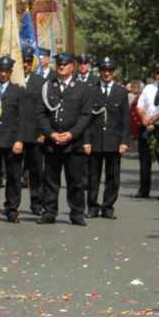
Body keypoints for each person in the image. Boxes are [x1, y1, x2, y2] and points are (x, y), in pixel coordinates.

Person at [36, 53, 93, 225]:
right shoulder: (48, 87)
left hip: (73, 142)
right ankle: (49, 212)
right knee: (51, 180)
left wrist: (72, 134)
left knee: (76, 181)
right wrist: (51, 134)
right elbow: (40, 113)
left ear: (72, 67)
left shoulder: (82, 88)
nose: (61, 67)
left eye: (65, 64)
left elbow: (85, 115)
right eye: (59, 64)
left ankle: (77, 214)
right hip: (53, 142)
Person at [0, 56, 31, 223]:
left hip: (12, 141)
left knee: (13, 177)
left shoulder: (18, 91)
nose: (2, 74)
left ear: (10, 72)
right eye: (0, 71)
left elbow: (24, 118)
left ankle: (11, 210)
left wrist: (20, 140)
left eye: (6, 71)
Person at [86, 57, 130, 219]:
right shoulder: (91, 90)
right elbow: (86, 118)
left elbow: (125, 118)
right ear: (100, 72)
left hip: (114, 140)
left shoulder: (121, 92)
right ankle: (92, 206)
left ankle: (108, 207)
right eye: (104, 70)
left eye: (110, 70)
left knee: (113, 176)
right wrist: (86, 140)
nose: (107, 73)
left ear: (114, 72)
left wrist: (124, 141)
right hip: (95, 139)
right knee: (93, 176)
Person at [135, 62, 159, 200]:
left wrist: (153, 119)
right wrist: (146, 119)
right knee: (144, 160)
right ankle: (143, 190)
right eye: (158, 72)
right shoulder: (148, 88)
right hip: (146, 126)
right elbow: (140, 106)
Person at [21, 47, 49, 215]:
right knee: (14, 171)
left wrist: (42, 132)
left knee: (36, 171)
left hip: (34, 133)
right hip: (16, 133)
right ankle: (12, 205)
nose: (25, 65)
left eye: (28, 62)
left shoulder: (40, 82)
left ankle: (37, 204)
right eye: (23, 62)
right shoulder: (13, 80)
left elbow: (43, 109)